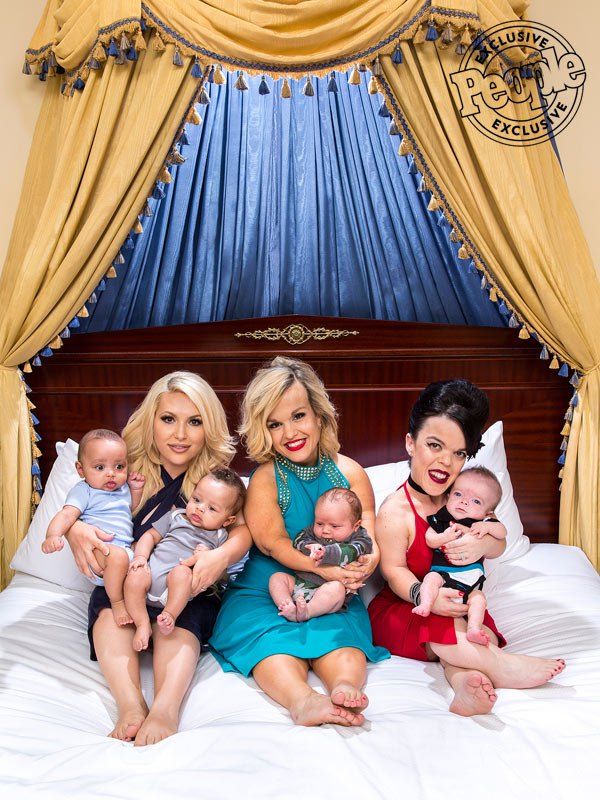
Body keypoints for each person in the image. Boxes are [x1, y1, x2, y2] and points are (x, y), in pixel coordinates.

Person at [62, 372, 251, 745]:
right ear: (150, 420)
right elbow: (81, 502)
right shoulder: (120, 467)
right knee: (107, 606)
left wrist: (221, 556)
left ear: (208, 427)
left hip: (184, 583)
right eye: (168, 419)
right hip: (135, 576)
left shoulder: (217, 483)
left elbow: (243, 530)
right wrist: (73, 530)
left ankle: (165, 709)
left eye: (194, 421)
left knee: (185, 614)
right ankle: (131, 705)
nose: (180, 434)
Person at [369, 379, 566, 717]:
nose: (445, 462)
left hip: (459, 600)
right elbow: (394, 571)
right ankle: (505, 667)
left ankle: (466, 685)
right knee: (444, 630)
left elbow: (498, 542)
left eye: (458, 453)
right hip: (408, 606)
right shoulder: (394, 511)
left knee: (480, 632)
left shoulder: (463, 497)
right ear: (410, 444)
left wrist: (483, 545)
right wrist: (421, 595)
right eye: (434, 445)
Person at [210, 357, 389, 727]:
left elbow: (368, 532)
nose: (290, 431)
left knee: (342, 638)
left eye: (298, 416)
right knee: (271, 642)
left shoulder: (350, 471)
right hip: (268, 586)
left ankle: (343, 688)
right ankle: (302, 699)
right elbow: (274, 543)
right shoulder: (265, 477)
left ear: (319, 416)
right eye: (275, 424)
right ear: (264, 431)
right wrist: (327, 567)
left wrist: (361, 567)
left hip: (331, 587)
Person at [124, 468, 246, 651]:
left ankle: (169, 615)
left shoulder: (220, 538)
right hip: (148, 580)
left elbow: (222, 575)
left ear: (228, 521)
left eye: (212, 509)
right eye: (196, 499)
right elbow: (150, 536)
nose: (200, 508)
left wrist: (207, 557)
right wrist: (141, 557)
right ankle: (142, 624)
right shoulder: (175, 516)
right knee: (135, 574)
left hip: (175, 593)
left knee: (181, 572)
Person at [42, 428, 146, 625]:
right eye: (100, 468)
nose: (111, 474)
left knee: (142, 561)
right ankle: (116, 602)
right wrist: (53, 535)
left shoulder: (122, 489)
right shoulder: (84, 491)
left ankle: (143, 617)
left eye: (119, 466)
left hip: (124, 551)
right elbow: (67, 514)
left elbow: (129, 509)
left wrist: (136, 490)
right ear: (81, 470)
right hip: (99, 552)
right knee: (118, 556)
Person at [412, 467, 507, 647]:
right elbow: (430, 539)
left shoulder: (483, 523)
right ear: (448, 496)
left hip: (470, 580)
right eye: (458, 494)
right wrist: (443, 537)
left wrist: (487, 528)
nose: (464, 502)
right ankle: (425, 603)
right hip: (443, 574)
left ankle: (473, 628)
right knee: (430, 579)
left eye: (476, 501)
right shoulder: (443, 520)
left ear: (488, 513)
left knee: (478, 599)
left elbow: (502, 532)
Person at [269, 487, 372, 622]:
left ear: (355, 526)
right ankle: (288, 605)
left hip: (328, 591)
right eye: (319, 523)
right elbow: (299, 540)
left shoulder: (360, 538)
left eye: (334, 526)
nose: (325, 530)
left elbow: (356, 550)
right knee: (277, 578)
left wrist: (327, 552)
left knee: (337, 589)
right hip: (301, 583)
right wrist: (311, 547)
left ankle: (307, 612)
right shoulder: (313, 531)